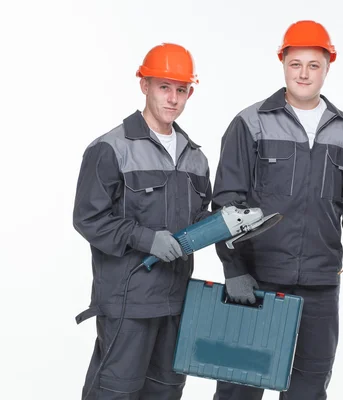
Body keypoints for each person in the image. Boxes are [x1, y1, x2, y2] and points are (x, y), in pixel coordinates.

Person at [210, 20, 343, 400]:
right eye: (295, 63)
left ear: (328, 67)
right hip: (256, 281)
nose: (303, 73)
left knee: (308, 390)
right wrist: (234, 270)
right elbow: (226, 204)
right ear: (282, 63)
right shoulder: (250, 124)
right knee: (238, 389)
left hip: (318, 285)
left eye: (313, 65)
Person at [72, 43, 211, 399]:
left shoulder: (195, 158)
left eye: (181, 90)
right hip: (127, 302)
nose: (173, 98)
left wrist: (226, 225)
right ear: (144, 85)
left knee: (166, 391)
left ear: (190, 93)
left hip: (176, 303)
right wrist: (145, 239)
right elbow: (88, 218)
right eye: (164, 87)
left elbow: (197, 222)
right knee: (115, 392)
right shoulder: (111, 148)